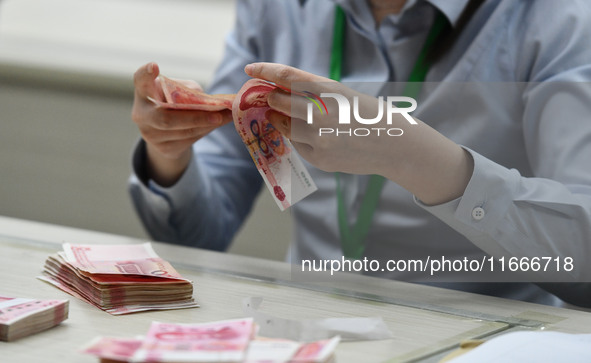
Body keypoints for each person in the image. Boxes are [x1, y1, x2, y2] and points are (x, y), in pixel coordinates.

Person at [129, 0, 591, 307]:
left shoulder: (560, 20)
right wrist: (170, 154)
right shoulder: (279, 8)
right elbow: (200, 236)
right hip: (309, 330)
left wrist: (413, 157)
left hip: (485, 338)